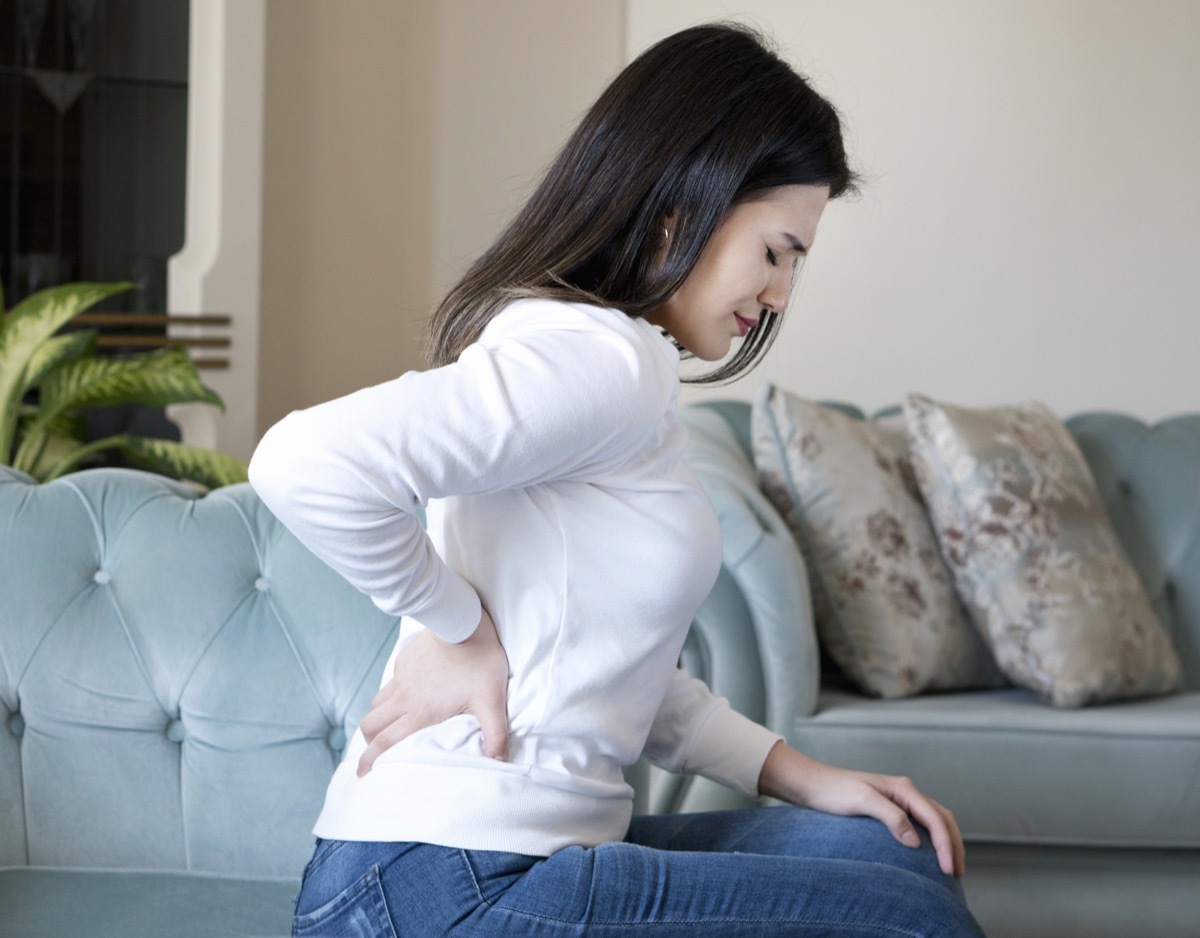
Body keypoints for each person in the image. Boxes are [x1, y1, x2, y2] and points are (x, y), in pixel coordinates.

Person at [249, 22, 985, 937]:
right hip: (440, 883)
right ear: (684, 207)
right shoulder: (604, 363)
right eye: (775, 251)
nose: (782, 294)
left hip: (467, 871)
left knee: (891, 852)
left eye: (797, 262)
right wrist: (460, 628)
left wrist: (803, 774)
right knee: (916, 926)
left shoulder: (611, 365)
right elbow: (303, 460)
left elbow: (614, 665)